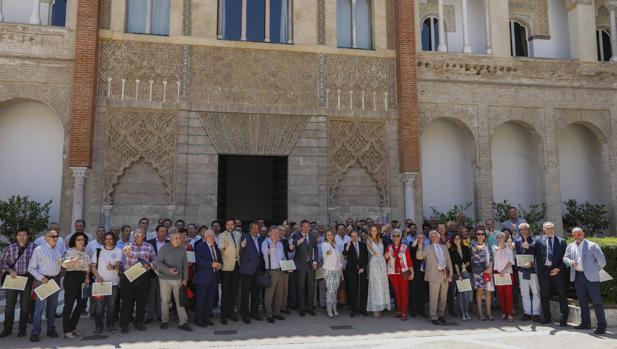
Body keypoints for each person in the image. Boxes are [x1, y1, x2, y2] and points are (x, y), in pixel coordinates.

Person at [563, 227, 607, 334]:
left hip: (591, 277)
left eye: (579, 234)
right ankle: (585, 323)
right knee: (582, 302)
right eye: (575, 235)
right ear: (572, 236)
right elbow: (565, 258)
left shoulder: (592, 245)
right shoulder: (570, 246)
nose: (577, 237)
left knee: (597, 302)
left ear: (583, 234)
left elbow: (602, 261)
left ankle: (602, 325)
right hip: (577, 276)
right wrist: (570, 262)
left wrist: (593, 270)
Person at [27, 229, 64, 342]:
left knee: (52, 307)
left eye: (57, 236)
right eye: (53, 236)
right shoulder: (39, 250)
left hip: (55, 280)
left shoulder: (58, 249)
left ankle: (51, 329)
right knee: (39, 308)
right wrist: (41, 278)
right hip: (43, 280)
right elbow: (31, 268)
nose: (56, 238)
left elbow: (59, 263)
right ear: (46, 238)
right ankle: (35, 332)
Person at [119, 227, 155, 334]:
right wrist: (127, 252)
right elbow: (123, 258)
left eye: (139, 234)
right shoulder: (127, 245)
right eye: (135, 234)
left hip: (143, 277)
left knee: (141, 301)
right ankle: (124, 324)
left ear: (144, 236)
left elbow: (155, 260)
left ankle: (139, 322)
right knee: (126, 302)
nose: (136, 236)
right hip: (129, 276)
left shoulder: (149, 246)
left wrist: (149, 265)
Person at [0, 229, 35, 338]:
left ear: (28, 236)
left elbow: (38, 263)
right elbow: (3, 264)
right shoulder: (11, 248)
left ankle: (22, 329)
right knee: (10, 306)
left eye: (24, 235)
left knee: (25, 306)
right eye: (19, 235)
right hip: (13, 279)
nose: (22, 237)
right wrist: (10, 271)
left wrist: (34, 278)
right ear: (16, 236)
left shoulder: (34, 247)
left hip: (27, 279)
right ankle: (7, 329)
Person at [155, 231, 192, 332]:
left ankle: (183, 322)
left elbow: (185, 265)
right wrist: (168, 270)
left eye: (180, 238)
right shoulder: (164, 248)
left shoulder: (182, 249)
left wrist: (185, 279)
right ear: (170, 239)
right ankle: (164, 321)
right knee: (165, 301)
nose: (178, 240)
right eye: (176, 238)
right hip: (164, 279)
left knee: (180, 300)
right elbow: (157, 262)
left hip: (178, 279)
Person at [533, 222, 568, 326]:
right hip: (543, 271)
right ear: (544, 230)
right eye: (548, 228)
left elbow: (565, 258)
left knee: (562, 294)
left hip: (557, 271)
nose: (550, 230)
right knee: (544, 295)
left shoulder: (561, 241)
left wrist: (558, 268)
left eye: (552, 228)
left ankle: (563, 318)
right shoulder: (538, 240)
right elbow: (532, 251)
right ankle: (547, 317)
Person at [418, 230, 452, 325]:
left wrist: (451, 273)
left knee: (443, 296)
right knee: (433, 297)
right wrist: (420, 247)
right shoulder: (427, 247)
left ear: (439, 237)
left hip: (444, 274)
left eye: (435, 236)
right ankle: (433, 316)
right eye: (431, 236)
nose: (433, 238)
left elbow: (449, 261)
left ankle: (441, 314)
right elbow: (419, 257)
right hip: (433, 275)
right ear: (430, 238)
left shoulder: (444, 247)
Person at [61, 232, 90, 339]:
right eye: (78, 239)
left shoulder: (85, 252)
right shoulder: (70, 251)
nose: (81, 241)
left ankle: (72, 327)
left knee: (81, 304)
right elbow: (64, 264)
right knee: (69, 305)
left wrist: (87, 277)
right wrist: (72, 261)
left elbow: (87, 267)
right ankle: (66, 330)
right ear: (74, 240)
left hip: (83, 279)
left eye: (82, 239)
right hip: (72, 277)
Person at [91, 232, 122, 334]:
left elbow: (118, 266)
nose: (108, 240)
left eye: (110, 239)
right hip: (100, 283)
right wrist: (98, 277)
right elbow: (93, 267)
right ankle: (98, 326)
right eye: (106, 238)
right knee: (99, 307)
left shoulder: (118, 251)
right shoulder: (98, 251)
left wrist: (112, 267)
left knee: (111, 306)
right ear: (104, 240)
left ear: (114, 240)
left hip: (113, 283)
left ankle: (110, 325)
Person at [193, 229, 221, 328]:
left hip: (214, 277)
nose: (214, 238)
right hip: (203, 278)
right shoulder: (200, 246)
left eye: (214, 236)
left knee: (210, 299)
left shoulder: (216, 247)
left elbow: (218, 259)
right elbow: (198, 260)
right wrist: (211, 264)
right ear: (206, 237)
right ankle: (198, 319)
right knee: (201, 299)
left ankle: (206, 317)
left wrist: (219, 264)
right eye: (211, 236)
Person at [261, 226, 289, 323]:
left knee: (279, 293)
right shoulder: (266, 243)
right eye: (274, 233)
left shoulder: (280, 244)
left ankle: (277, 313)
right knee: (269, 294)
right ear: (269, 233)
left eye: (277, 233)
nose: (276, 235)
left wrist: (288, 266)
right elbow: (265, 253)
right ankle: (269, 314)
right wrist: (273, 243)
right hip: (271, 272)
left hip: (281, 271)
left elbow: (283, 257)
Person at [291, 220, 319, 316]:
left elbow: (315, 249)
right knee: (301, 287)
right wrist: (298, 242)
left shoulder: (312, 236)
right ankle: (302, 308)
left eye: (308, 226)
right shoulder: (296, 235)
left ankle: (310, 307)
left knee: (311, 287)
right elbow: (293, 243)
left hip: (310, 265)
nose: (306, 228)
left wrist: (315, 261)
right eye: (304, 226)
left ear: (310, 228)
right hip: (300, 266)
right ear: (301, 227)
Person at [385, 229, 414, 321]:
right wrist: (387, 254)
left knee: (404, 292)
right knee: (397, 292)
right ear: (392, 237)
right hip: (393, 272)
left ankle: (404, 312)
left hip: (404, 271)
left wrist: (412, 272)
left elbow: (409, 260)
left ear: (401, 237)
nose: (396, 238)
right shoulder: (389, 247)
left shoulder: (405, 247)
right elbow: (385, 257)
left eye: (398, 236)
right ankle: (399, 311)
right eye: (394, 236)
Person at [514, 223, 540, 322]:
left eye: (525, 229)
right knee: (524, 292)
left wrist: (528, 247)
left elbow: (537, 255)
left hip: (532, 270)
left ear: (529, 230)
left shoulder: (535, 240)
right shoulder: (517, 241)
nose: (523, 231)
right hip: (522, 270)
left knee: (535, 292)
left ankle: (536, 313)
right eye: (521, 230)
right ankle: (527, 313)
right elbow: (518, 255)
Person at [218, 218, 242, 324]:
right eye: (228, 224)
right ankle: (223, 315)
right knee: (225, 292)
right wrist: (224, 246)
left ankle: (231, 312)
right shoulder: (222, 235)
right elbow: (220, 246)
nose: (230, 226)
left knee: (234, 291)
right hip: (226, 267)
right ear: (225, 225)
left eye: (232, 224)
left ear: (234, 225)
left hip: (237, 265)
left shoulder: (238, 234)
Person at [239, 222, 263, 324]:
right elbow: (242, 250)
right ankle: (245, 314)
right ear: (250, 229)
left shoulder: (260, 239)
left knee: (256, 294)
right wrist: (242, 246)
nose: (256, 230)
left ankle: (254, 313)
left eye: (257, 228)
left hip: (257, 271)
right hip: (247, 271)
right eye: (254, 228)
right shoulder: (245, 238)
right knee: (245, 294)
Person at [342, 230, 369, 317]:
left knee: (362, 290)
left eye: (355, 236)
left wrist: (363, 268)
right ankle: (353, 309)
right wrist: (347, 247)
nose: (354, 238)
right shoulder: (347, 245)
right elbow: (344, 254)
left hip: (361, 271)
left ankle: (362, 308)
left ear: (358, 236)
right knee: (353, 291)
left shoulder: (363, 245)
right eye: (352, 236)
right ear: (350, 237)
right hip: (351, 271)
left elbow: (366, 258)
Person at [366, 225, 390, 318]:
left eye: (375, 230)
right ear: (370, 231)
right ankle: (375, 308)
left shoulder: (381, 239)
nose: (374, 232)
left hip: (382, 263)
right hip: (375, 263)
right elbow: (373, 252)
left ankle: (382, 306)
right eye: (372, 230)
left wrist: (386, 255)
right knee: (376, 285)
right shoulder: (368, 240)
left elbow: (384, 251)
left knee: (383, 284)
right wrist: (383, 255)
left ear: (377, 231)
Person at [145, 225, 168, 324]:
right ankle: (150, 316)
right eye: (162, 231)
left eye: (165, 231)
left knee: (162, 296)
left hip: (165, 274)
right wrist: (152, 265)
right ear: (157, 232)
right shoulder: (149, 243)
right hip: (152, 273)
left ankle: (160, 315)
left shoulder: (169, 243)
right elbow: (147, 257)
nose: (164, 233)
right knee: (151, 295)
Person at [471, 228, 493, 321]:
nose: (480, 235)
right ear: (476, 235)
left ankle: (489, 313)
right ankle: (480, 314)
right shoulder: (473, 243)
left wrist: (490, 268)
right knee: (479, 292)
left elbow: (491, 257)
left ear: (485, 235)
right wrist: (482, 246)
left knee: (488, 292)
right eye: (478, 234)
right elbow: (478, 248)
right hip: (478, 271)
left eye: (482, 234)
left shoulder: (488, 245)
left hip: (487, 270)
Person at [321, 229, 343, 318]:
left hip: (337, 270)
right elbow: (325, 254)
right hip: (328, 270)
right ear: (326, 236)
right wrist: (328, 252)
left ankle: (334, 308)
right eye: (328, 235)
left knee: (334, 290)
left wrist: (341, 272)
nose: (330, 236)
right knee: (330, 290)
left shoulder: (335, 245)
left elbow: (339, 259)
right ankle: (329, 309)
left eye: (331, 234)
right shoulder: (324, 244)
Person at [493, 232, 515, 321]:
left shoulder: (509, 249)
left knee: (508, 295)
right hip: (498, 273)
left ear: (504, 238)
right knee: (501, 295)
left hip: (508, 273)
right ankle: (503, 313)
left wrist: (504, 270)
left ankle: (509, 313)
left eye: (502, 237)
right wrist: (501, 247)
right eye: (498, 237)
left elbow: (511, 261)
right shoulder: (494, 247)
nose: (500, 238)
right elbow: (497, 252)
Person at [450, 233, 472, 320]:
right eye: (455, 239)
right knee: (460, 294)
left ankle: (466, 312)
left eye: (459, 238)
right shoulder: (452, 250)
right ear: (453, 240)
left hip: (466, 271)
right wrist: (459, 275)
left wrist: (465, 266)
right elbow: (455, 264)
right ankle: (462, 313)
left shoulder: (465, 248)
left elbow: (469, 260)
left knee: (466, 293)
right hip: (457, 273)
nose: (457, 240)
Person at [408, 230, 428, 318]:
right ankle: (412, 310)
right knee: (413, 292)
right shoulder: (413, 244)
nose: (421, 239)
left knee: (422, 292)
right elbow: (412, 247)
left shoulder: (425, 246)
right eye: (419, 237)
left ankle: (421, 309)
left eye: (422, 237)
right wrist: (416, 241)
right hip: (414, 272)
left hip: (423, 272)